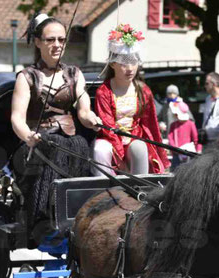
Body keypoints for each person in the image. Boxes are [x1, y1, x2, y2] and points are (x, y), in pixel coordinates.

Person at [10, 13, 101, 232]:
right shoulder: (27, 77)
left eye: (61, 39)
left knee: (80, 146)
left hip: (70, 141)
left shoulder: (74, 74)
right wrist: (28, 136)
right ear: (38, 42)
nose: (57, 45)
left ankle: (80, 216)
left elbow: (84, 110)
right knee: (53, 148)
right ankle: (45, 217)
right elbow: (17, 118)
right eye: (50, 40)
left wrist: (92, 120)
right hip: (37, 143)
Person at [93, 23, 170, 175]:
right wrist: (121, 158)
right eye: (124, 63)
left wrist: (162, 156)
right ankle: (101, 190)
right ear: (113, 64)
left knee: (140, 147)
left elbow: (151, 124)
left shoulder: (143, 90)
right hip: (110, 140)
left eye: (133, 62)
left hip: (134, 138)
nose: (130, 68)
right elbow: (108, 126)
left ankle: (139, 190)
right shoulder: (104, 91)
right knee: (99, 149)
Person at [167, 101, 200, 169]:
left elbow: (196, 138)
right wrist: (174, 148)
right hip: (176, 154)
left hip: (187, 154)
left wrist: (198, 149)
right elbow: (170, 137)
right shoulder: (173, 125)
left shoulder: (190, 124)